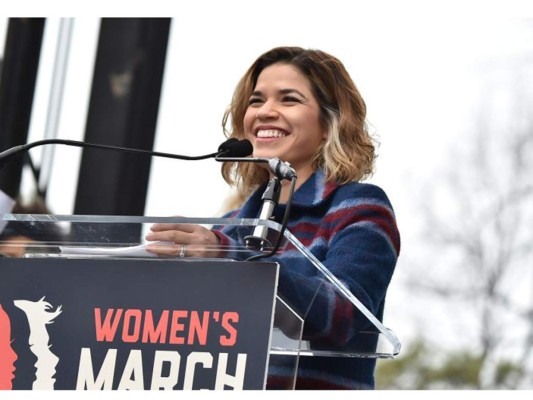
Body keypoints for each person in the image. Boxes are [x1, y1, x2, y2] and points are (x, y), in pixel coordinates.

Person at [145, 46, 401, 390]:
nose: (265, 112)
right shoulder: (229, 225)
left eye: (288, 99)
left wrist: (230, 256)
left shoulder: (358, 208)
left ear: (330, 123)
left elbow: (345, 317)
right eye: (256, 101)